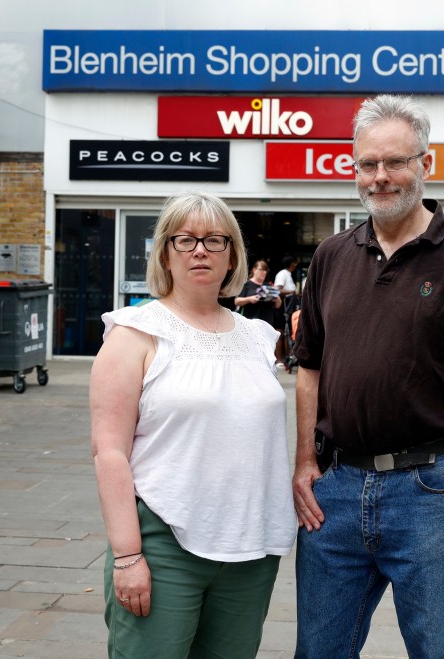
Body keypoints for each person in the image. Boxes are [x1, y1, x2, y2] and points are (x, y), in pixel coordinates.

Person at [291, 95, 444, 658]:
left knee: (439, 651)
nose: (380, 177)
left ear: (427, 164)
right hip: (337, 491)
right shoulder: (330, 257)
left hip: (433, 493)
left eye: (395, 162)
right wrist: (305, 462)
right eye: (367, 164)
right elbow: (309, 370)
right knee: (318, 651)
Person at [90, 192, 295, 659]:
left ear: (232, 256)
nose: (199, 250)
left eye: (213, 240)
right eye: (185, 239)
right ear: (166, 253)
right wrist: (127, 557)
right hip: (164, 545)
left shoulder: (260, 339)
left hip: (250, 550)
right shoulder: (135, 334)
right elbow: (109, 453)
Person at [235, 259, 282, 328]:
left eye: (265, 270)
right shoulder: (247, 284)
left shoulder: (268, 285)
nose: (263, 272)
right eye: (261, 270)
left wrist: (277, 299)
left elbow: (277, 306)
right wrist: (249, 299)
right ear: (254, 270)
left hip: (267, 323)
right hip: (251, 322)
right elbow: (237, 301)